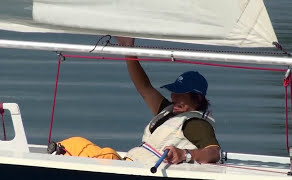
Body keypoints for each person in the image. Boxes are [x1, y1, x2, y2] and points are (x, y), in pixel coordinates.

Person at [47, 37, 220, 165]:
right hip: (128, 163)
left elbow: (213, 153)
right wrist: (128, 50)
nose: (174, 97)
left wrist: (184, 154)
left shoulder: (195, 124)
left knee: (85, 151)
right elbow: (144, 88)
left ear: (197, 99)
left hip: (132, 167)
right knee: (74, 144)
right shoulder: (169, 111)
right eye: (174, 92)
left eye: (180, 94)